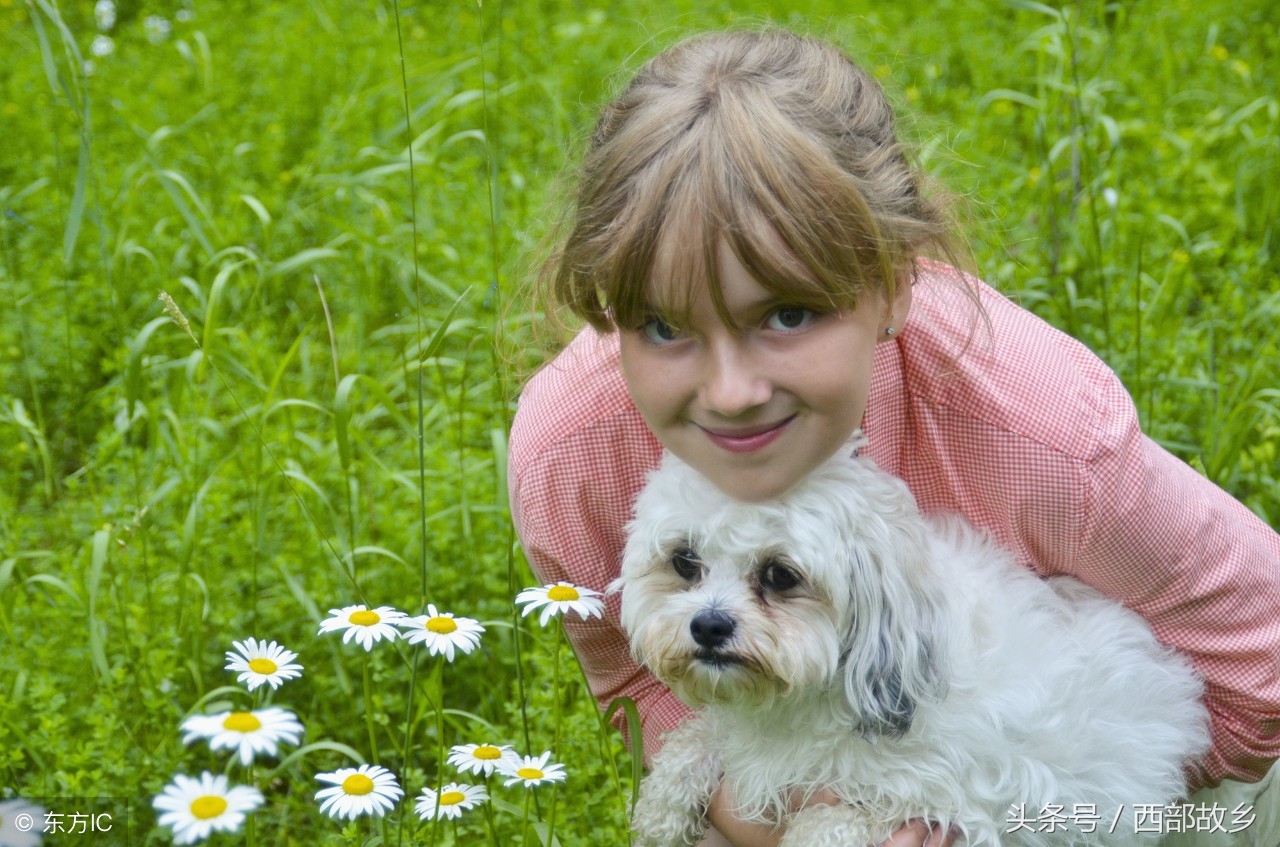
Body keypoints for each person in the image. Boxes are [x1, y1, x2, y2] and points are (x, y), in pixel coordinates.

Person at [507, 28, 1280, 847]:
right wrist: (775, 820)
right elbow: (635, 680)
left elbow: (1264, 660)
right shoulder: (573, 456)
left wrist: (1040, 810)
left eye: (787, 314)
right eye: (663, 325)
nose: (730, 393)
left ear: (891, 288)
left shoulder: (1044, 435)